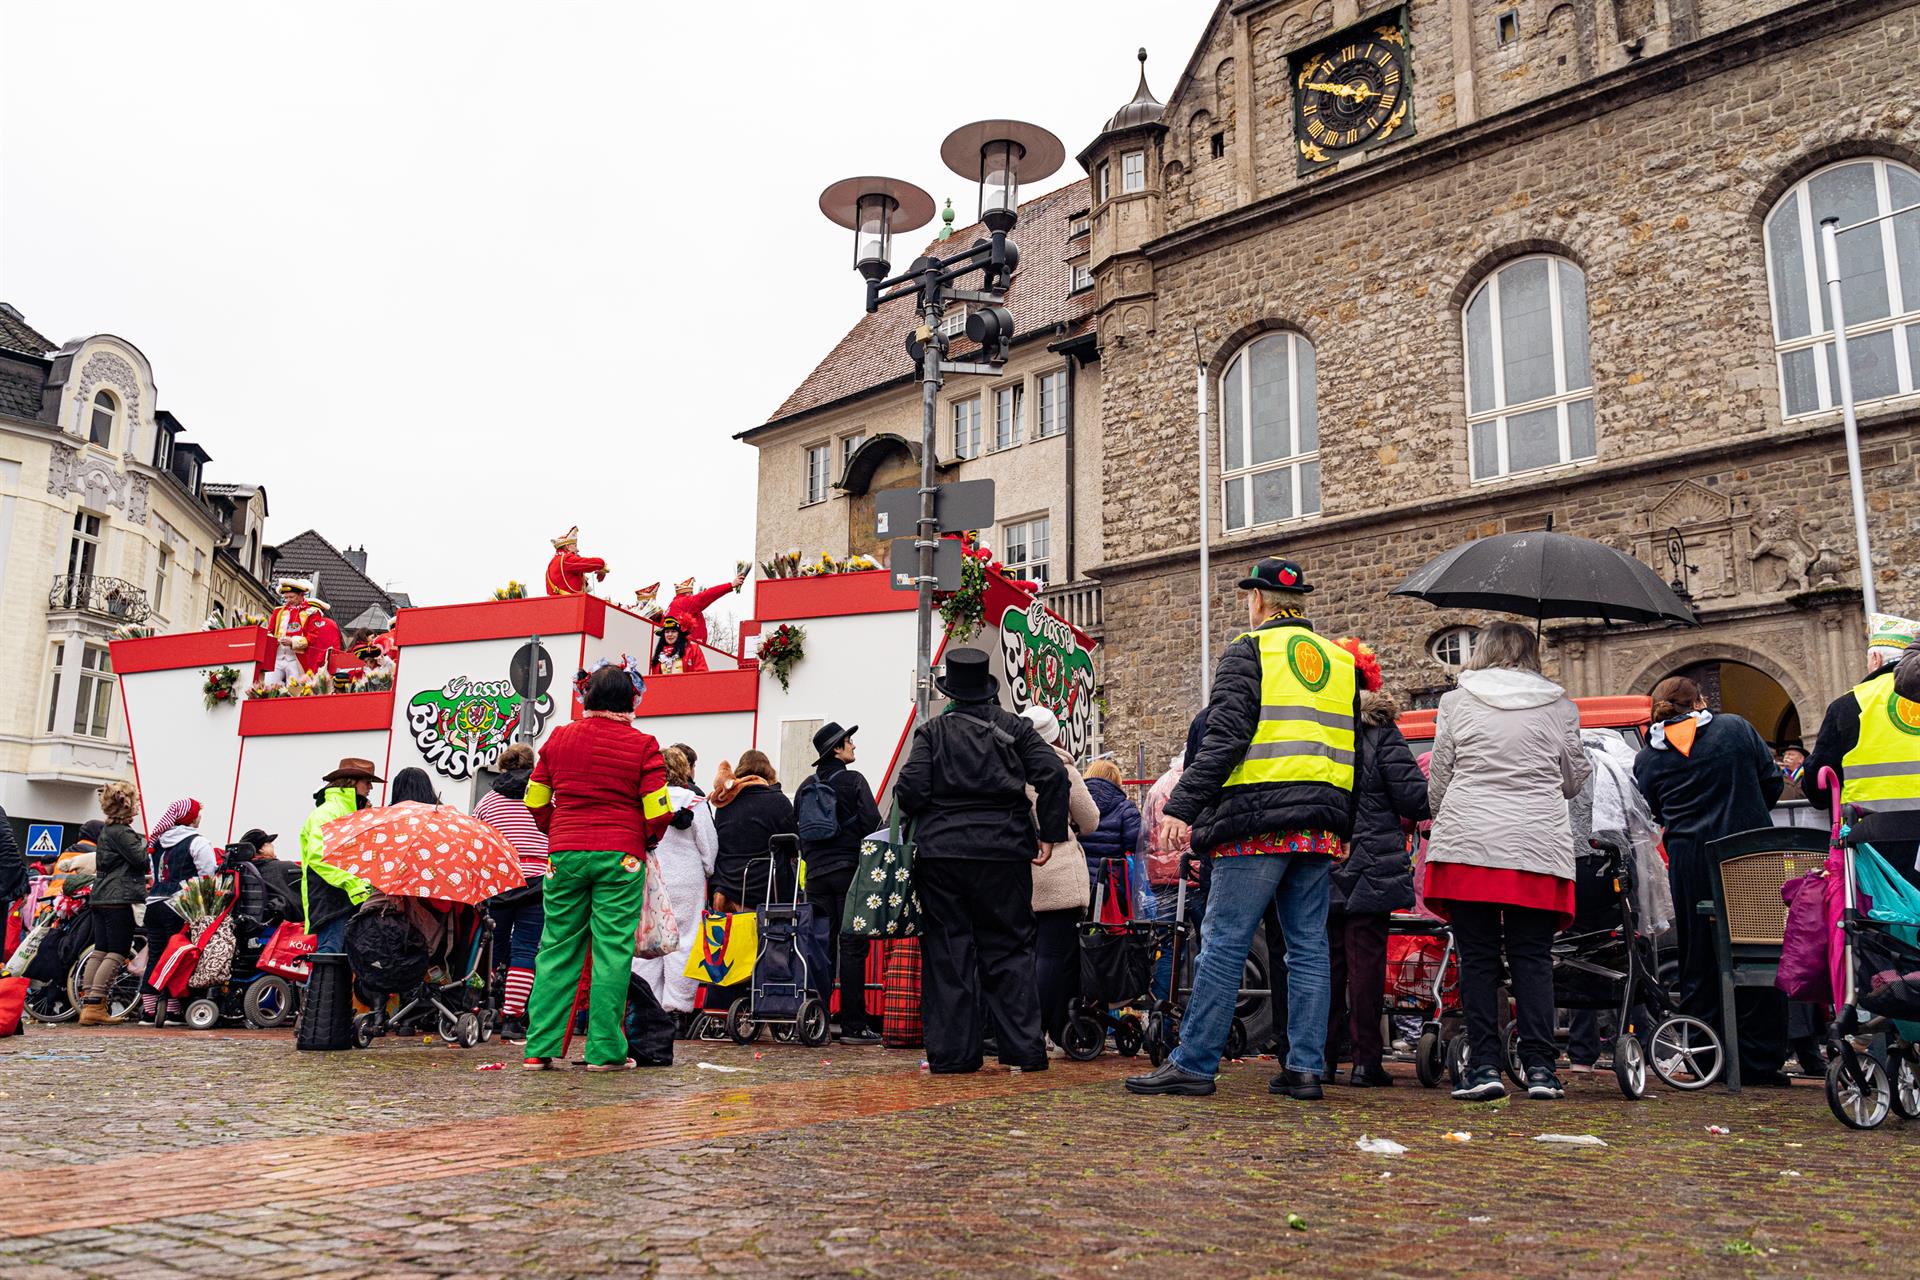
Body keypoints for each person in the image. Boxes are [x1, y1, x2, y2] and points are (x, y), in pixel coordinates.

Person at [1127, 558, 1357, 1101]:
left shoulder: (1249, 651)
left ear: (1257, 601)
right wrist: (1342, 822)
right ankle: (1304, 1066)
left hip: (1257, 823)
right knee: (1307, 948)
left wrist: (1181, 806)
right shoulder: (1339, 662)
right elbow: (1353, 750)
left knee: (1225, 941)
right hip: (1318, 827)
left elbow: (1225, 737)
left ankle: (1196, 1062)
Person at [1423, 621, 1588, 1102]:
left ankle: (1485, 1066)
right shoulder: (1560, 706)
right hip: (1536, 844)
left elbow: (1442, 774)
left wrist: (1447, 815)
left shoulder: (1456, 701)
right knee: (1532, 959)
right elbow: (1574, 777)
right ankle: (1540, 1068)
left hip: (1469, 840)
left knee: (1476, 960)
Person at [895, 648, 1070, 1074]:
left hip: (943, 855)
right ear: (987, 688)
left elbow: (911, 788)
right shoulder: (1015, 728)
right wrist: (1049, 834)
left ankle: (955, 1055)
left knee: (948, 951)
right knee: (1010, 948)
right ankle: (1024, 1049)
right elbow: (1054, 775)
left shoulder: (932, 732)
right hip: (1004, 850)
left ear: (948, 690)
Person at [1634, 674, 1790, 1084]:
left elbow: (1655, 810)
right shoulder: (1735, 729)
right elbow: (1771, 781)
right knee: (1756, 950)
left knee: (1699, 957)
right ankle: (1760, 1059)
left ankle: (1706, 1057)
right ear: (1700, 701)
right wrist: (1748, 807)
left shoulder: (1649, 756)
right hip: (1749, 854)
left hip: (1692, 861)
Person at [521, 661, 673, 1071]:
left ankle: (539, 1047)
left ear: (587, 697)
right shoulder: (643, 745)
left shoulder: (558, 738)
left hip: (564, 854)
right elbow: (658, 809)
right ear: (630, 700)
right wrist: (644, 838)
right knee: (612, 952)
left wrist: (557, 831)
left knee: (555, 947)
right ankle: (605, 1051)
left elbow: (535, 799)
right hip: (620, 854)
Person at [1326, 638, 1429, 1088]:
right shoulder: (1381, 732)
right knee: (1366, 965)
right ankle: (1367, 1061)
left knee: (1321, 964)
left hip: (1324, 860)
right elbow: (1413, 798)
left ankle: (1321, 1058)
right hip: (1373, 862)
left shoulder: (1316, 729)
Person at [1807, 615, 1920, 886]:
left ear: (1877, 660)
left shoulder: (1848, 704)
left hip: (1873, 846)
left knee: (1881, 923)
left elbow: (1816, 786)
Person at [794, 722, 884, 1044]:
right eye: (850, 743)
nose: (854, 747)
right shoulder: (854, 781)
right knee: (852, 946)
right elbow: (873, 826)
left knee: (820, 946)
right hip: (848, 873)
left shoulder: (805, 786)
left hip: (816, 875)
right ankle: (854, 1026)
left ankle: (815, 1018)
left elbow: (798, 829)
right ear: (837, 749)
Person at [1022, 705, 1100, 1049]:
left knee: (1029, 955)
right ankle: (1043, 1029)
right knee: (1056, 957)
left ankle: (1031, 1028)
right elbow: (1090, 818)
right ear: (1055, 734)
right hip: (1056, 874)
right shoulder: (1063, 769)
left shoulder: (1009, 767)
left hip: (1020, 872)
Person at [635, 746, 717, 1024]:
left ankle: (646, 1005)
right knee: (683, 941)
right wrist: (707, 868)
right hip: (686, 878)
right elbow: (708, 846)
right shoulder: (694, 801)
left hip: (651, 875)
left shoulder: (645, 800)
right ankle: (677, 1008)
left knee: (648, 940)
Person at [475, 743, 549, 1043]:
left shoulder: (488, 801)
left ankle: (488, 1006)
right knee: (526, 948)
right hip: (538, 880)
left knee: (493, 946)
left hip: (500, 880)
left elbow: (478, 841)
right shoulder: (544, 794)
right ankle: (512, 1017)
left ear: (503, 767)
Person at [135, 797, 220, 1025]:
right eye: (198, 814)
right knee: (178, 957)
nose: (200, 817)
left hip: (154, 904)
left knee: (156, 955)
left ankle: (149, 1010)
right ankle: (172, 1009)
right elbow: (208, 874)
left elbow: (154, 876)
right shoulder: (197, 841)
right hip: (179, 905)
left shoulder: (159, 843)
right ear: (191, 818)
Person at [79, 783, 145, 1025]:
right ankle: (97, 1003)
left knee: (101, 949)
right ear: (128, 805)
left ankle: (88, 1002)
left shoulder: (106, 831)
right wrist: (148, 844)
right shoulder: (123, 833)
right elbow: (140, 861)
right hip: (119, 898)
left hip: (101, 896)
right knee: (117, 950)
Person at [299, 758, 380, 954]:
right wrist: (354, 885)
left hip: (348, 897)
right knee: (330, 955)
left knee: (341, 959)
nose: (370, 788)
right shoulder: (326, 813)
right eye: (366, 782)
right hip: (330, 899)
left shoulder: (353, 814)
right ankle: (315, 987)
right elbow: (319, 858)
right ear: (351, 782)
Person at [707, 751, 796, 910]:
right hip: (768, 890)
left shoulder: (724, 804)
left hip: (727, 886)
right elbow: (793, 848)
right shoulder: (778, 801)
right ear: (769, 773)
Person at [1140, 753, 1190, 1003]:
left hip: (1162, 878)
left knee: (1168, 947)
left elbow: (1146, 832)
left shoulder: (1159, 786)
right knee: (1212, 947)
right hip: (1195, 876)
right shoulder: (1198, 780)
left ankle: (1162, 1017)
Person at [1080, 758, 1143, 901]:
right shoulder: (1126, 807)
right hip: (1109, 880)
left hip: (1078, 877)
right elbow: (1137, 844)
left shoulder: (1075, 802)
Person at [665, 569, 749, 673]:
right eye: (691, 594)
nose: (693, 596)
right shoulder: (683, 603)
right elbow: (706, 596)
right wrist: (730, 585)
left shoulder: (672, 607)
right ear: (687, 594)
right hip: (688, 657)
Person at [264, 577, 327, 686]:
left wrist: (293, 642)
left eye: (291, 597)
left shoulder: (312, 612)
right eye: (286, 597)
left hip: (296, 658)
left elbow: (312, 638)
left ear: (301, 595)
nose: (288, 600)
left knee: (294, 690)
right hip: (277, 657)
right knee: (268, 686)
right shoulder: (278, 611)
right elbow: (270, 631)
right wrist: (273, 640)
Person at [544, 525, 608, 596]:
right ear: (567, 547)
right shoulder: (566, 559)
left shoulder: (552, 564)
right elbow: (598, 563)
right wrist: (602, 567)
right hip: (570, 603)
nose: (578, 550)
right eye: (575, 546)